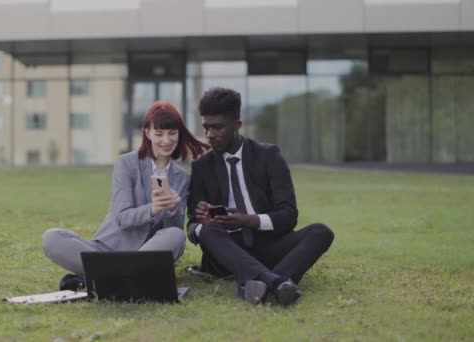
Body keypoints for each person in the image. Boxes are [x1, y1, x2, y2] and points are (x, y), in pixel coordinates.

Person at [186, 87, 334, 306]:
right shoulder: (201, 167)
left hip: (269, 245)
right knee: (206, 230)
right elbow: (191, 227)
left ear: (237, 125)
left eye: (217, 127)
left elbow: (289, 215)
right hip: (227, 252)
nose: (210, 135)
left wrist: (249, 220)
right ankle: (276, 283)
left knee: (321, 232)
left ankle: (257, 283)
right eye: (206, 127)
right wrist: (202, 224)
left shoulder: (268, 156)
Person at [43, 101, 208, 291]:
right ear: (147, 133)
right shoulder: (127, 164)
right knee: (52, 237)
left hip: (144, 254)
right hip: (105, 250)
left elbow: (172, 234)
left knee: (176, 236)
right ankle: (126, 278)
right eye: (159, 133)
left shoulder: (181, 178)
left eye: (172, 133)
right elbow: (121, 217)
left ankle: (98, 279)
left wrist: (172, 211)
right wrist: (152, 209)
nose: (166, 140)